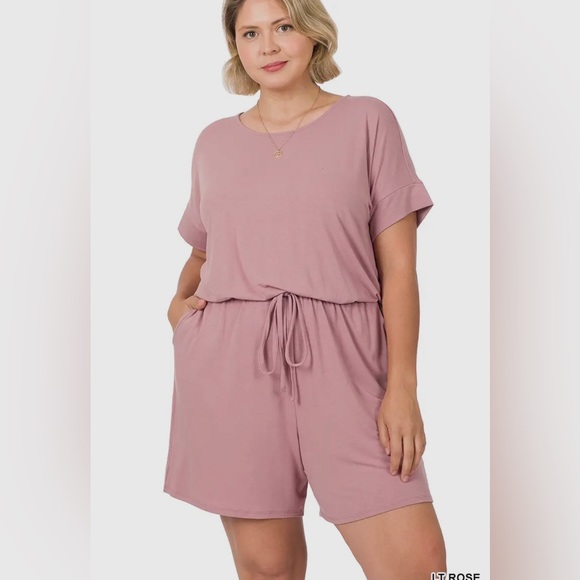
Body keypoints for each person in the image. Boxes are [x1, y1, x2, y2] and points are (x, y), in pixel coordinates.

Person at [164, 0, 447, 577]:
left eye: (283, 27)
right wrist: (179, 308)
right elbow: (202, 250)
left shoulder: (368, 120)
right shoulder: (214, 141)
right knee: (267, 568)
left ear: (313, 34)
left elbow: (399, 269)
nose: (268, 46)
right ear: (236, 47)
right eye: (250, 33)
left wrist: (402, 387)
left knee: (423, 567)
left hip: (347, 362)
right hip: (232, 367)